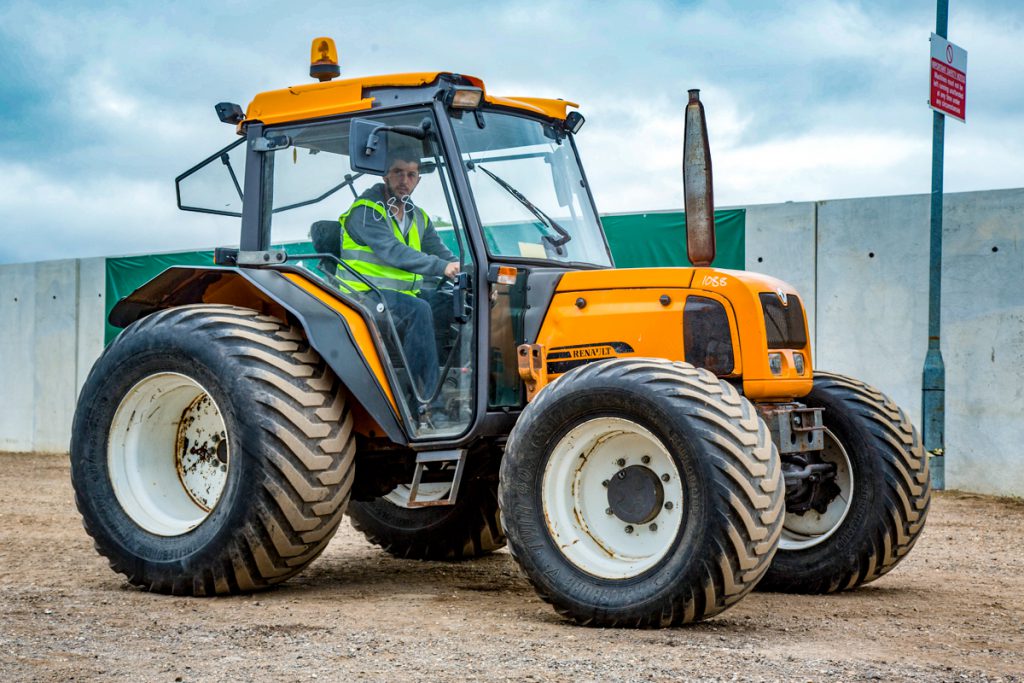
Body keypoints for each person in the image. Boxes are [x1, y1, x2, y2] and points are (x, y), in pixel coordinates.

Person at [336, 148, 460, 406]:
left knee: (455, 302)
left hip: (400, 295)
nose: (405, 181)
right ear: (385, 175)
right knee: (419, 310)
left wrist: (469, 276)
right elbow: (393, 252)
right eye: (398, 173)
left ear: (418, 179)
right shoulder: (366, 211)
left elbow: (444, 255)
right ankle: (423, 401)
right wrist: (441, 267)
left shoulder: (419, 216)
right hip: (360, 296)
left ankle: (459, 382)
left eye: (411, 174)